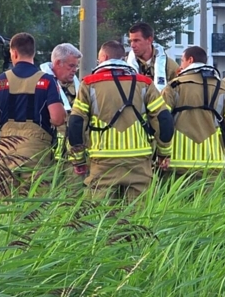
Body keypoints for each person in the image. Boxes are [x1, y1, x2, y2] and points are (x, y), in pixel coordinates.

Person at [67, 40, 174, 202]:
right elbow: (164, 119)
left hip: (103, 162)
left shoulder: (88, 84)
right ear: (122, 58)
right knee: (139, 214)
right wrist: (163, 153)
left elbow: (76, 123)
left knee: (98, 213)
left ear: (104, 57)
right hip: (139, 161)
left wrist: (78, 159)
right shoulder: (144, 83)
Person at [0, 33, 66, 185]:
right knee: (37, 197)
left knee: (6, 196)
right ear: (33, 52)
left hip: (6, 152)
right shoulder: (47, 81)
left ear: (14, 53)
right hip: (37, 153)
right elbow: (58, 118)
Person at [161, 45, 225, 179]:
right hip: (213, 163)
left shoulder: (174, 86)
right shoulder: (224, 87)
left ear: (190, 60)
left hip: (178, 163)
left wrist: (162, 152)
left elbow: (162, 121)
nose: (180, 66)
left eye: (182, 61)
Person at [127, 22, 179, 86]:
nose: (132, 45)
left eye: (136, 40)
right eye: (130, 41)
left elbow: (179, 90)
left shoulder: (170, 67)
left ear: (149, 40)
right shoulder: (125, 65)